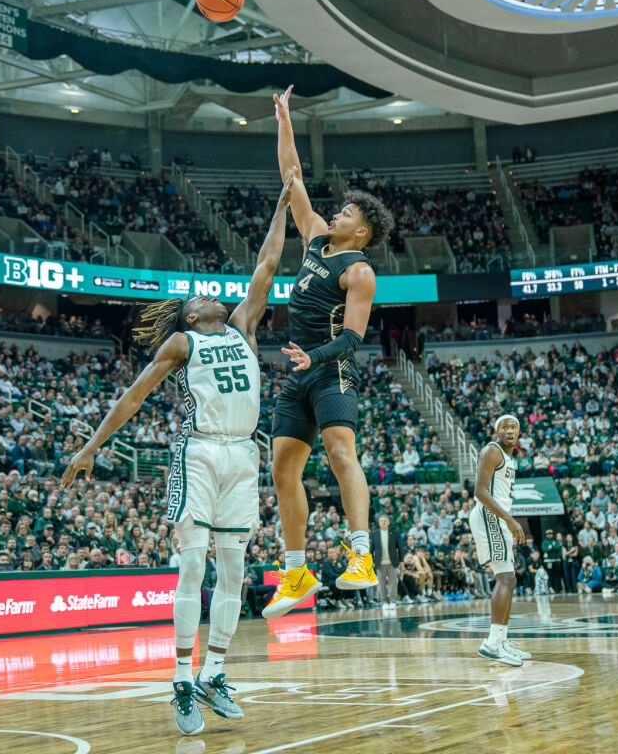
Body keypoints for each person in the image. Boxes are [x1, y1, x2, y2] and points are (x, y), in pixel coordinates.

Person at [60, 174, 292, 737]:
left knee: (235, 570)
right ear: (191, 315)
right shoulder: (184, 343)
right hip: (199, 452)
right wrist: (93, 444)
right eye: (201, 296)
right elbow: (135, 393)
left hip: (244, 457)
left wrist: (283, 204)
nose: (213, 293)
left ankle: (215, 672)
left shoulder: (243, 327)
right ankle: (181, 683)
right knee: (193, 565)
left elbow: (265, 265)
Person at [264, 85, 396, 617]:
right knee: (281, 469)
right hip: (300, 373)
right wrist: (284, 119)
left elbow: (353, 340)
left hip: (331, 368)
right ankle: (296, 573)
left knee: (341, 454)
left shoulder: (359, 270)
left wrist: (313, 359)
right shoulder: (316, 238)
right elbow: (291, 176)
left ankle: (360, 555)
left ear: (360, 229)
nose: (334, 214)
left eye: (344, 212)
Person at [471, 415, 529, 666]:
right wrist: (509, 519)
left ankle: (501, 640)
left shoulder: (508, 457)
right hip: (490, 516)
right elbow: (480, 492)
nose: (509, 430)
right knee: (505, 578)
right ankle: (493, 643)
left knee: (509, 578)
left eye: (514, 427)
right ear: (496, 431)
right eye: (504, 426)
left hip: (497, 518)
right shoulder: (491, 451)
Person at [370, 514, 402, 607]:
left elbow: (400, 548)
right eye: (381, 521)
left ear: (388, 522)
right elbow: (371, 549)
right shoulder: (374, 534)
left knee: (393, 583)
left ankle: (393, 601)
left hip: (392, 562)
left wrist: (402, 561)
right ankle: (384, 601)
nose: (383, 522)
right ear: (379, 523)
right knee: (382, 583)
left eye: (385, 520)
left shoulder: (394, 533)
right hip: (379, 563)